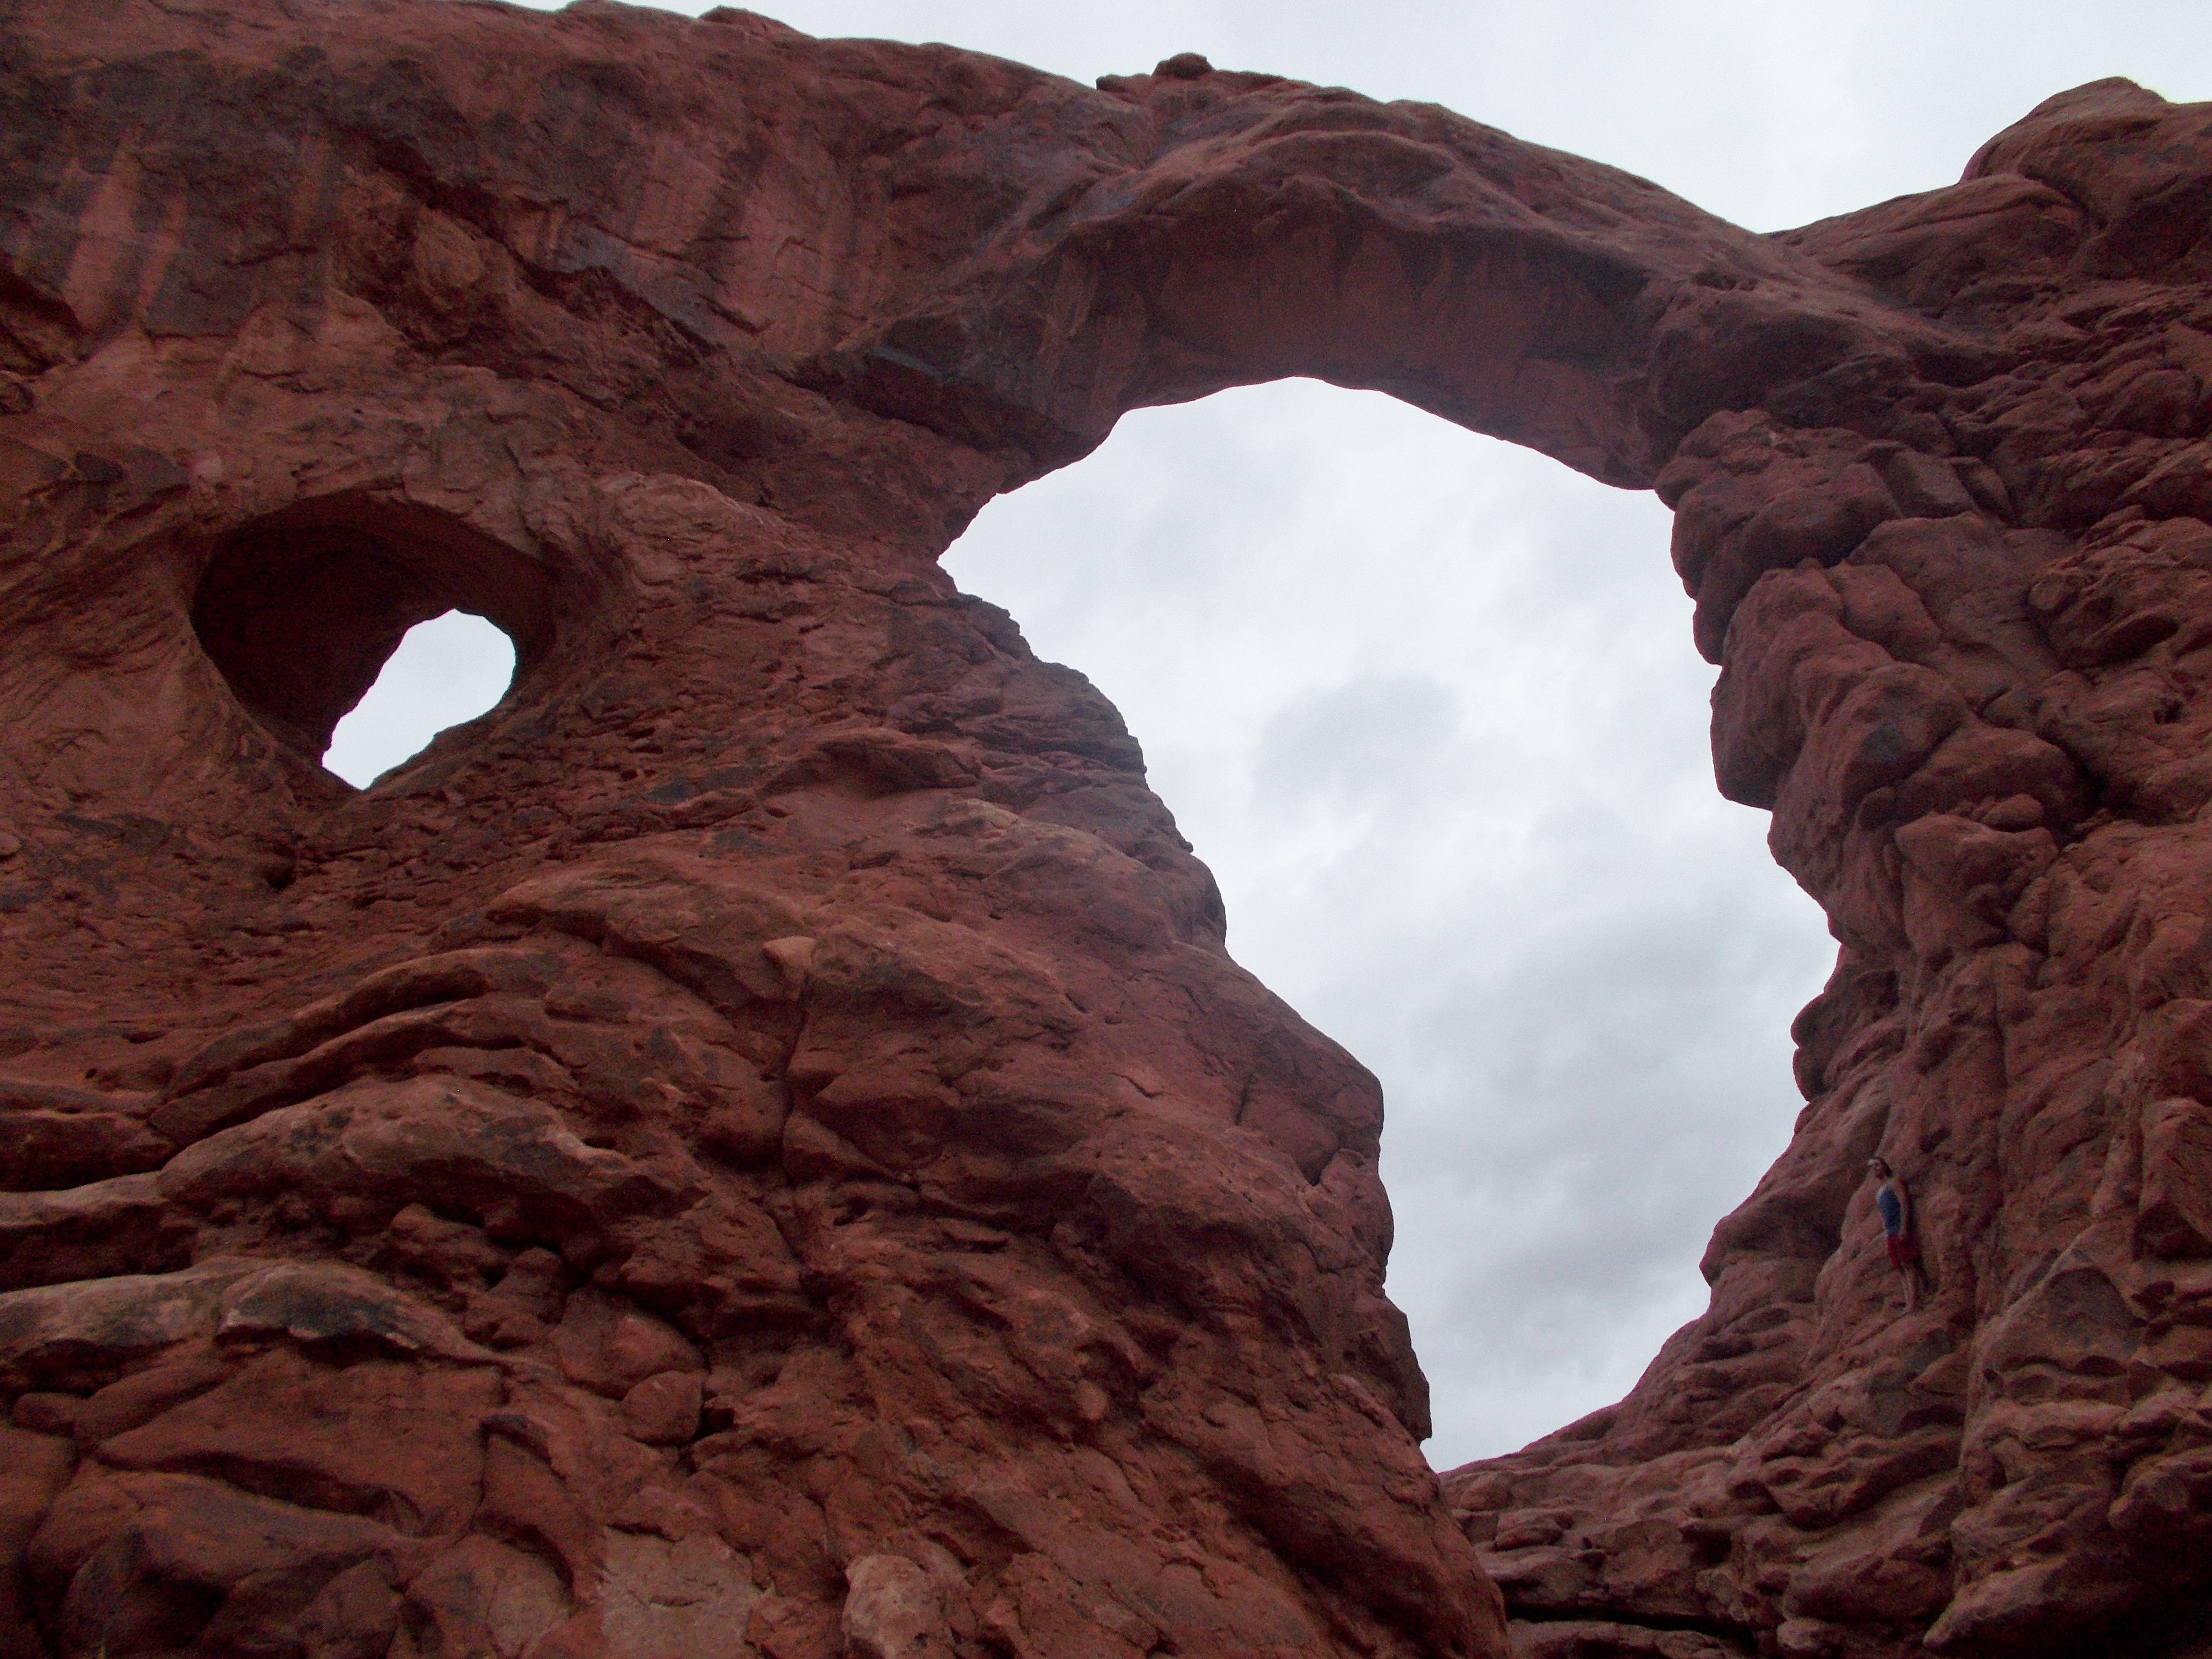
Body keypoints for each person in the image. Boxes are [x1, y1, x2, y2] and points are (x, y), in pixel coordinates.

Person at [1867, 1156, 1927, 1310]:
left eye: (1877, 1165)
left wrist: (1904, 1227)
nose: (1875, 1169)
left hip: (1899, 1228)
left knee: (1909, 1263)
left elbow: (1904, 1202)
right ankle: (1909, 1302)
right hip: (1890, 1232)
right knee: (1899, 1267)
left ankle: (1914, 1303)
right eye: (1872, 1167)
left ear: (1884, 1166)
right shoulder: (1880, 1192)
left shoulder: (1894, 1183)